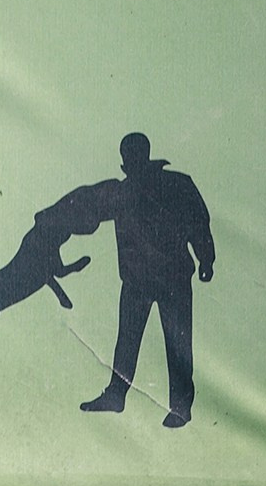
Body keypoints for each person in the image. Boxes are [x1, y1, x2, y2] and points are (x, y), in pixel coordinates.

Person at [79, 132, 213, 428]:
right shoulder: (127, 191)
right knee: (132, 340)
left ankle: (178, 408)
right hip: (142, 280)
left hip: (169, 278)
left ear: (130, 157)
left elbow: (198, 222)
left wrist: (207, 258)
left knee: (175, 342)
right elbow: (87, 211)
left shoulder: (170, 185)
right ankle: (119, 396)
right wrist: (205, 259)